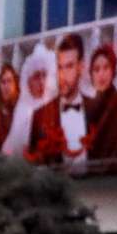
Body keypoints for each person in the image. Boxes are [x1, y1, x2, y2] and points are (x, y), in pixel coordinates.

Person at [25, 32, 91, 171]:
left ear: (81, 67)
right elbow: (32, 168)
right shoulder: (39, 116)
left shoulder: (98, 109)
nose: (62, 76)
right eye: (59, 67)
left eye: (69, 67)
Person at [81, 41, 117, 172]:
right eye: (96, 69)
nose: (101, 74)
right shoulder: (87, 107)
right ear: (91, 74)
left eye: (106, 68)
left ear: (113, 70)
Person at [0, 62, 23, 155]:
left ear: (15, 83)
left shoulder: (22, 108)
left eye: (9, 81)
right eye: (3, 82)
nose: (6, 86)